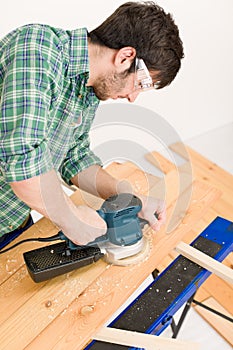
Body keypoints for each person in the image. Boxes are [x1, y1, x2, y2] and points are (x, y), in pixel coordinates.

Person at [0, 1, 184, 248]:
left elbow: (74, 157)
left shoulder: (88, 88)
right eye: (141, 84)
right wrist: (72, 218)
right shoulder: (38, 50)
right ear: (125, 57)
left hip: (12, 221)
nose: (133, 97)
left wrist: (129, 199)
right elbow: (22, 158)